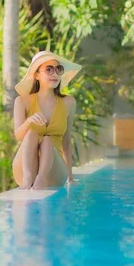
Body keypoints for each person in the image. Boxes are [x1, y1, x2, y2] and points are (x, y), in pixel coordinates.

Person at [12, 51, 82, 190]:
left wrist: (70, 176)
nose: (54, 74)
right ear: (36, 75)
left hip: (53, 170)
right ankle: (28, 179)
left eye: (58, 69)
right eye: (49, 69)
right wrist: (29, 121)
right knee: (31, 134)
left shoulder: (69, 102)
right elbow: (19, 136)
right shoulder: (22, 101)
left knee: (48, 140)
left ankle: (40, 179)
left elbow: (66, 141)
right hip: (25, 167)